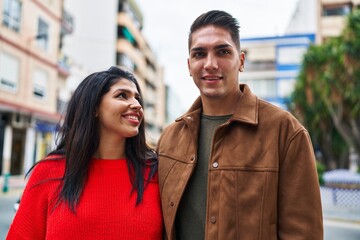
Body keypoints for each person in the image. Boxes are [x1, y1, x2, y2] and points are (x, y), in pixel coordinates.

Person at [156, 10, 323, 240]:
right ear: (189, 65)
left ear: (241, 61)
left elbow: (303, 234)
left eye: (222, 51)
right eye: (199, 54)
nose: (210, 64)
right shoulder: (169, 139)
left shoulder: (285, 132)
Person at [7, 66, 163, 239]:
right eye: (122, 95)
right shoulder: (49, 171)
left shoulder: (155, 172)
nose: (137, 105)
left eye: (137, 98)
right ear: (94, 107)